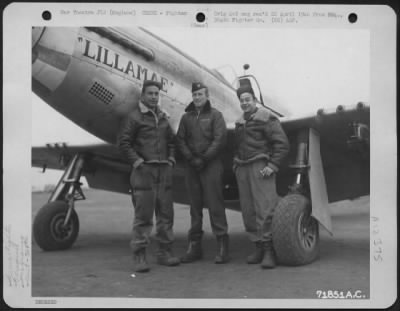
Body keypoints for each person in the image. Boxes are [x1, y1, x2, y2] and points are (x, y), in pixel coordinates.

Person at [118, 80, 180, 273]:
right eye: (150, 93)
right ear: (143, 95)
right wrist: (137, 163)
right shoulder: (134, 117)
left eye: (156, 94)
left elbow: (172, 141)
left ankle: (164, 253)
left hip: (164, 172)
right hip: (144, 173)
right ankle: (139, 257)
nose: (154, 96)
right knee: (143, 217)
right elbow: (124, 143)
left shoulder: (163, 118)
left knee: (166, 216)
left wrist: (170, 159)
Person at [233, 84, 289, 269]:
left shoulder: (266, 117)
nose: (244, 103)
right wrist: (236, 165)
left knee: (265, 210)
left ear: (255, 100)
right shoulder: (240, 122)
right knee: (248, 211)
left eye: (248, 99)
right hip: (242, 167)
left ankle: (269, 251)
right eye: (241, 100)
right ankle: (257, 247)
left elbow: (282, 144)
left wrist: (272, 165)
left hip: (260, 166)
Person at [176, 82, 230, 264]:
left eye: (200, 94)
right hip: (192, 166)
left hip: (211, 165)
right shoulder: (186, 118)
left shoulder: (216, 116)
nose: (197, 98)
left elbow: (220, 139)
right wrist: (191, 159)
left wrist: (204, 159)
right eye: (195, 95)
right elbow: (180, 140)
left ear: (207, 96)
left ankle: (223, 247)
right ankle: (194, 247)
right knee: (195, 207)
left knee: (215, 205)